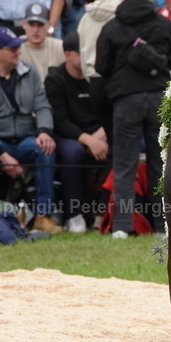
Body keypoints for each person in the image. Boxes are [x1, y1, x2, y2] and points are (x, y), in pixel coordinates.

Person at [95, 0, 171, 238]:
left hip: (125, 100)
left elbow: (101, 67)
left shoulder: (111, 27)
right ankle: (161, 227)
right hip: (157, 98)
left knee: (124, 164)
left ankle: (122, 227)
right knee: (159, 164)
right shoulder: (163, 24)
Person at [0, 27, 63, 234]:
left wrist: (44, 131)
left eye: (18, 48)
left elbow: (42, 106)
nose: (18, 52)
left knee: (45, 148)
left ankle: (43, 214)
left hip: (25, 138)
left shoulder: (29, 72)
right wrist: (1, 154)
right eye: (11, 49)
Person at [45, 31, 108, 234]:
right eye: (83, 52)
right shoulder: (55, 80)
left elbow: (111, 109)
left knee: (121, 149)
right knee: (73, 153)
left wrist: (102, 134)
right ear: (68, 54)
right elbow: (60, 121)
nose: (89, 57)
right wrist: (89, 141)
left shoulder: (99, 76)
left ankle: (104, 214)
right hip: (69, 134)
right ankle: (74, 215)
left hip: (99, 131)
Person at [20, 3, 65, 80]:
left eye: (40, 25)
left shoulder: (60, 47)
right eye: (31, 24)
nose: (35, 30)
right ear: (24, 25)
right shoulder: (16, 48)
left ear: (48, 25)